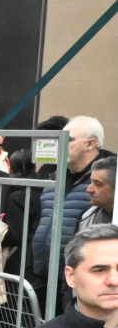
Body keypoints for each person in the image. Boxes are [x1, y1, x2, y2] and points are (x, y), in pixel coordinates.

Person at [34, 116, 109, 290]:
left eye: (68, 140)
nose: (61, 145)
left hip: (80, 281)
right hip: (44, 277)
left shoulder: (108, 181)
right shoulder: (54, 177)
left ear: (91, 144)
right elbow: (39, 223)